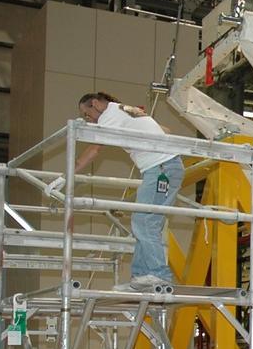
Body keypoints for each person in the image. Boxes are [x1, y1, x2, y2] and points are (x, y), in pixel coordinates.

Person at [48, 92, 185, 291]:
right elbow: (165, 129)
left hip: (160, 168)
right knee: (146, 223)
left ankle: (158, 274)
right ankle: (141, 277)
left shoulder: (108, 116)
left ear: (95, 104)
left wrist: (65, 176)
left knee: (143, 222)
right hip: (165, 167)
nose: (89, 120)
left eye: (87, 114)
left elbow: (94, 150)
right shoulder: (127, 110)